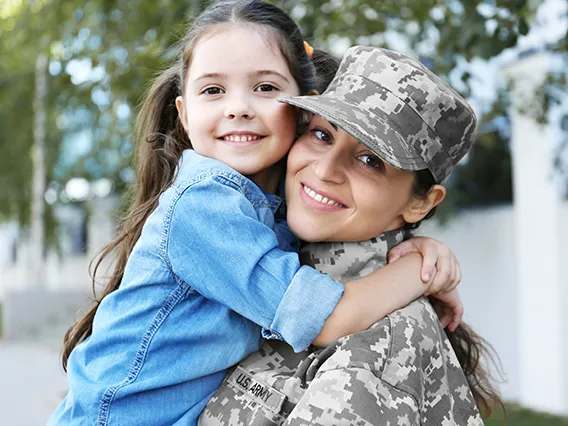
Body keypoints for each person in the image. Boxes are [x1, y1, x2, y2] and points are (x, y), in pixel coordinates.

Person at [49, 2, 464, 425]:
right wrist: (419, 272)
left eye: (265, 88)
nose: (238, 108)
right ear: (185, 114)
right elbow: (324, 319)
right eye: (213, 90)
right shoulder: (203, 205)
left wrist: (415, 243)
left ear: (303, 109)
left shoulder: (276, 203)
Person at [199, 46, 502, 426]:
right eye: (322, 135)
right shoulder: (261, 249)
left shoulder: (381, 340)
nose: (325, 169)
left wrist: (417, 273)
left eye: (370, 160)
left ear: (421, 204)